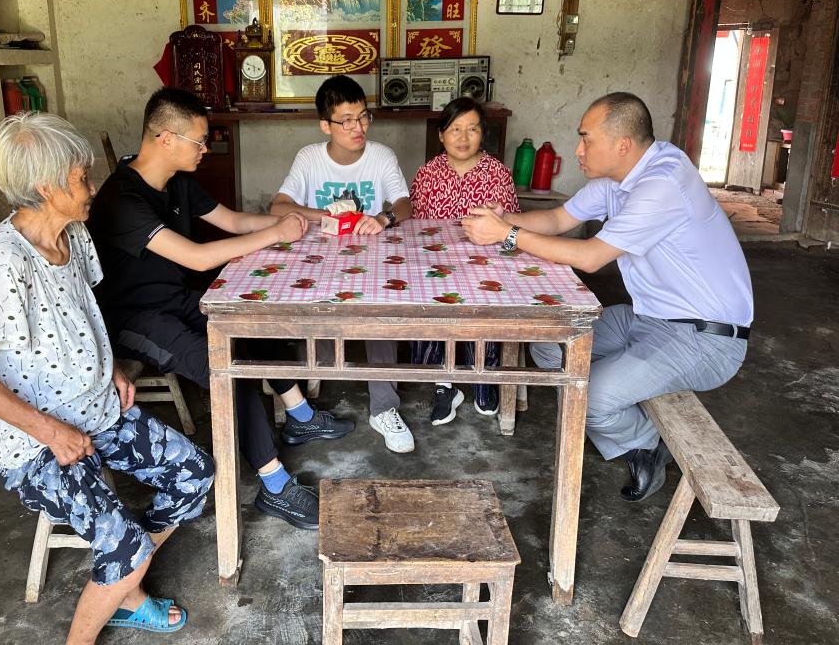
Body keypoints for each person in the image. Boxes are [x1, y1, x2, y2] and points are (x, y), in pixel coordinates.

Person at [0, 112, 213, 643]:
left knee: (193, 475)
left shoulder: (74, 234)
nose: (93, 188)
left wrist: (109, 365)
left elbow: (86, 311)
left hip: (97, 409)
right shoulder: (4, 267)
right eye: (82, 178)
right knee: (126, 545)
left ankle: (124, 587)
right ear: (47, 187)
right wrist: (51, 432)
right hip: (37, 443)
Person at [462, 92, 753, 502]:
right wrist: (504, 218)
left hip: (704, 338)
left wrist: (507, 234)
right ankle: (618, 398)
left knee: (589, 398)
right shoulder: (618, 179)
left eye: (586, 138)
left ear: (622, 145)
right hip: (648, 318)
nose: (577, 150)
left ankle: (645, 444)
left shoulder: (662, 184)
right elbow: (559, 219)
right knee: (549, 339)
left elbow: (591, 257)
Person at [87, 87, 353, 532]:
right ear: (166, 138)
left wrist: (301, 223)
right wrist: (276, 234)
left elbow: (233, 221)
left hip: (177, 300)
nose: (205, 149)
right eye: (199, 140)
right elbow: (196, 258)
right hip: (134, 319)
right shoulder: (121, 199)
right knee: (228, 370)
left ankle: (301, 418)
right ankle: (274, 486)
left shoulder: (177, 181)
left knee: (253, 322)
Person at [269, 74, 415, 453]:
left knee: (381, 314)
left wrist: (383, 218)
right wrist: (327, 214)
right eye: (346, 120)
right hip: (318, 262)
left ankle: (384, 408)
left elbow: (404, 204)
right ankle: (303, 396)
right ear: (326, 125)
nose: (358, 127)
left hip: (372, 259)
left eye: (363, 117)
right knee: (301, 318)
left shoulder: (381, 156)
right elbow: (279, 207)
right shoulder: (309, 158)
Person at [409, 96, 521, 424]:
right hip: (435, 263)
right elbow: (414, 227)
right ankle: (443, 382)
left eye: (472, 129)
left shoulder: (497, 173)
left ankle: (482, 374)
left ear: (482, 133)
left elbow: (510, 228)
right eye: (455, 129)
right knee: (430, 296)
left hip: (483, 263)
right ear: (441, 135)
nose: (463, 137)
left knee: (484, 300)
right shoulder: (427, 174)